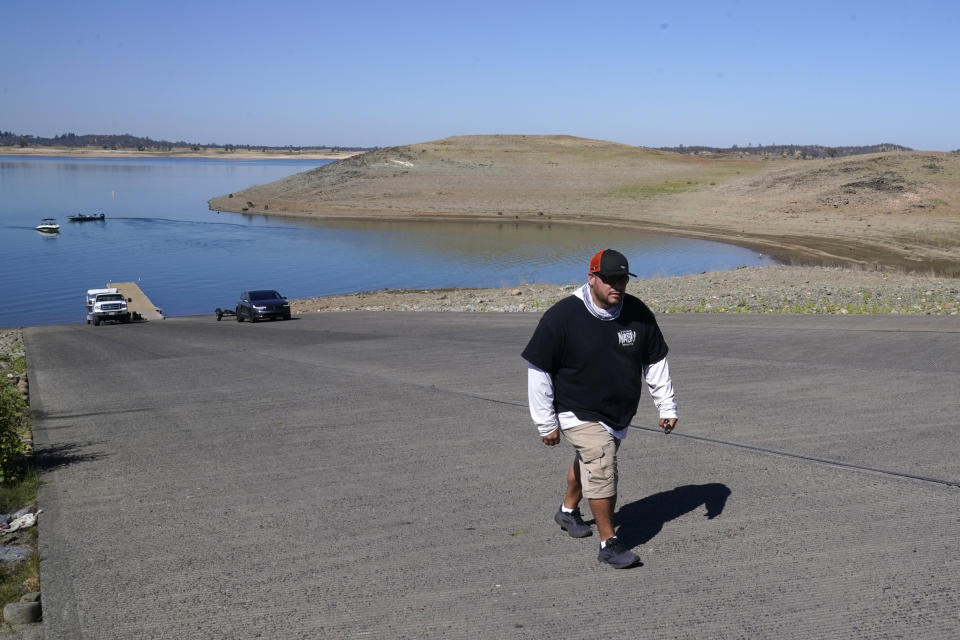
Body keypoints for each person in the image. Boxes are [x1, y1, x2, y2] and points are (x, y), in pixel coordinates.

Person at [521, 249, 678, 568]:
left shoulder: (637, 312)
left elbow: (655, 361)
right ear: (591, 278)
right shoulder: (563, 316)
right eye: (609, 280)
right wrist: (545, 423)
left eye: (622, 279)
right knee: (602, 463)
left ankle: (566, 512)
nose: (616, 286)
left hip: (617, 412)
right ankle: (610, 543)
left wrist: (667, 406)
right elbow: (539, 371)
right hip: (576, 409)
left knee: (591, 461)